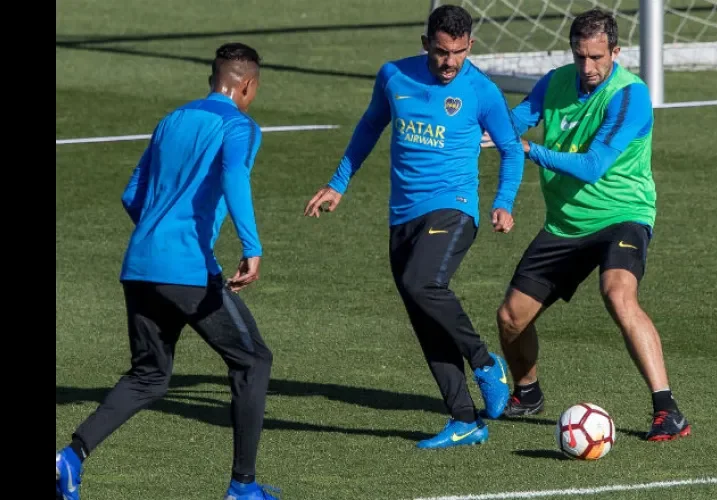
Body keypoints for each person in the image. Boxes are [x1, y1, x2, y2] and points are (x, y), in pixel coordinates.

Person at [56, 42, 281, 500]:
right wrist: (252, 247)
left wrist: (159, 239)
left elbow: (131, 194)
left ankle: (70, 458)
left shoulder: (171, 120)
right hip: (187, 270)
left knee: (149, 376)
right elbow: (235, 176)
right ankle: (243, 488)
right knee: (253, 361)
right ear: (248, 86)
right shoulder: (239, 126)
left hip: (139, 265)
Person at [304, 4, 524, 449]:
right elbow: (370, 126)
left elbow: (511, 149)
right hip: (402, 215)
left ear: (470, 46)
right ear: (426, 44)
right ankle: (464, 419)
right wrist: (338, 184)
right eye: (442, 52)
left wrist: (502, 202)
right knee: (424, 314)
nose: (449, 63)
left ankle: (486, 363)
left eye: (459, 53)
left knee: (423, 283)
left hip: (454, 208)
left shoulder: (481, 91)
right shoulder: (393, 76)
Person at [482, 8, 692, 441]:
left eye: (597, 57)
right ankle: (528, 391)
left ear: (615, 51)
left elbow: (595, 165)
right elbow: (516, 120)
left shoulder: (630, 95)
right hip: (565, 223)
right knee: (509, 319)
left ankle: (667, 409)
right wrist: (479, 127)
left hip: (622, 215)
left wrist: (527, 150)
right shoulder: (556, 82)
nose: (588, 67)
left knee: (617, 294)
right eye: (580, 57)